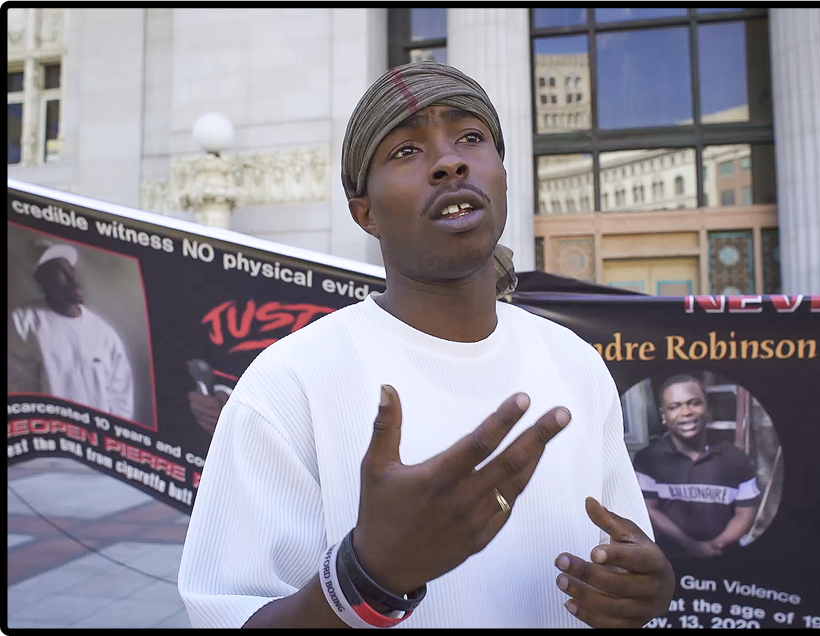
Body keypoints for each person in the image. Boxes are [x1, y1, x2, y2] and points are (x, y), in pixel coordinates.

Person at [178, 61, 674, 629]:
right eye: (407, 150)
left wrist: (643, 590)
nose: (450, 162)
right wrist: (368, 577)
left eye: (471, 137)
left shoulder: (576, 364)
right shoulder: (290, 384)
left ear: (502, 175)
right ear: (365, 213)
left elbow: (628, 552)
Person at [633, 374, 761, 560]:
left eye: (694, 403)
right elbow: (649, 509)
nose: (686, 412)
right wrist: (692, 546)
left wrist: (715, 546)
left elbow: (745, 512)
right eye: (674, 406)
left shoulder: (737, 459)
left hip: (725, 557)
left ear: (708, 409)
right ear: (663, 416)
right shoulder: (647, 459)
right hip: (667, 561)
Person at [8, 241, 134, 420]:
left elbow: (121, 399)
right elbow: (19, 387)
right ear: (43, 281)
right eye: (60, 271)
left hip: (96, 434)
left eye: (71, 270)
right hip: (50, 431)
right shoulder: (24, 321)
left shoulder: (105, 334)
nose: (72, 278)